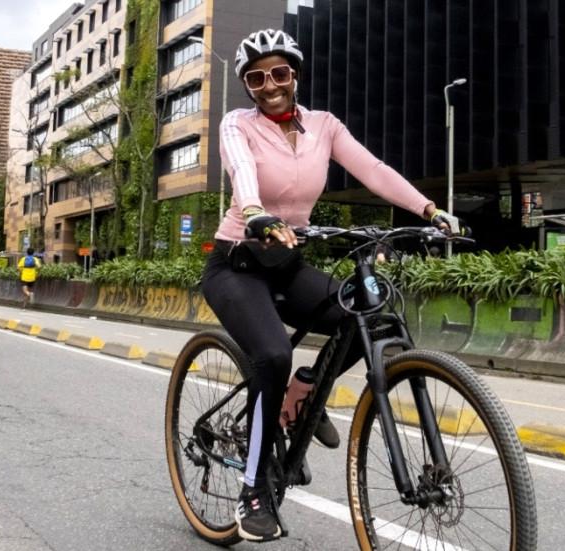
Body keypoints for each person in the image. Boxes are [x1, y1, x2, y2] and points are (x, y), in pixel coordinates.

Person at [204, 29, 461, 542]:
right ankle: (253, 489)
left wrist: (429, 210)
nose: (269, 84)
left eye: (279, 73)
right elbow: (240, 169)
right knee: (271, 357)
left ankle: (303, 397)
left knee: (366, 311)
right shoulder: (239, 124)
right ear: (247, 87)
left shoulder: (324, 126)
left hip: (288, 264)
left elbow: (373, 169)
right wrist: (253, 212)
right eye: (256, 77)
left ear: (294, 75)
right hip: (238, 264)